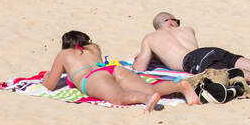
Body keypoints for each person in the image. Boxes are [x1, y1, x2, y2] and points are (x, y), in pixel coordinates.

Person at [134, 13, 250, 92]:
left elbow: (140, 68)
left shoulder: (151, 38)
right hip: (210, 50)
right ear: (170, 21)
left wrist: (147, 54)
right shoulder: (187, 29)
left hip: (192, 60)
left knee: (222, 72)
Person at [39, 29, 200, 109]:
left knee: (118, 96)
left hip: (93, 78)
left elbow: (50, 85)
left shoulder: (64, 54)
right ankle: (180, 85)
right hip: (113, 70)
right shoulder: (94, 48)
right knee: (150, 88)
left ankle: (146, 99)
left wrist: (46, 77)